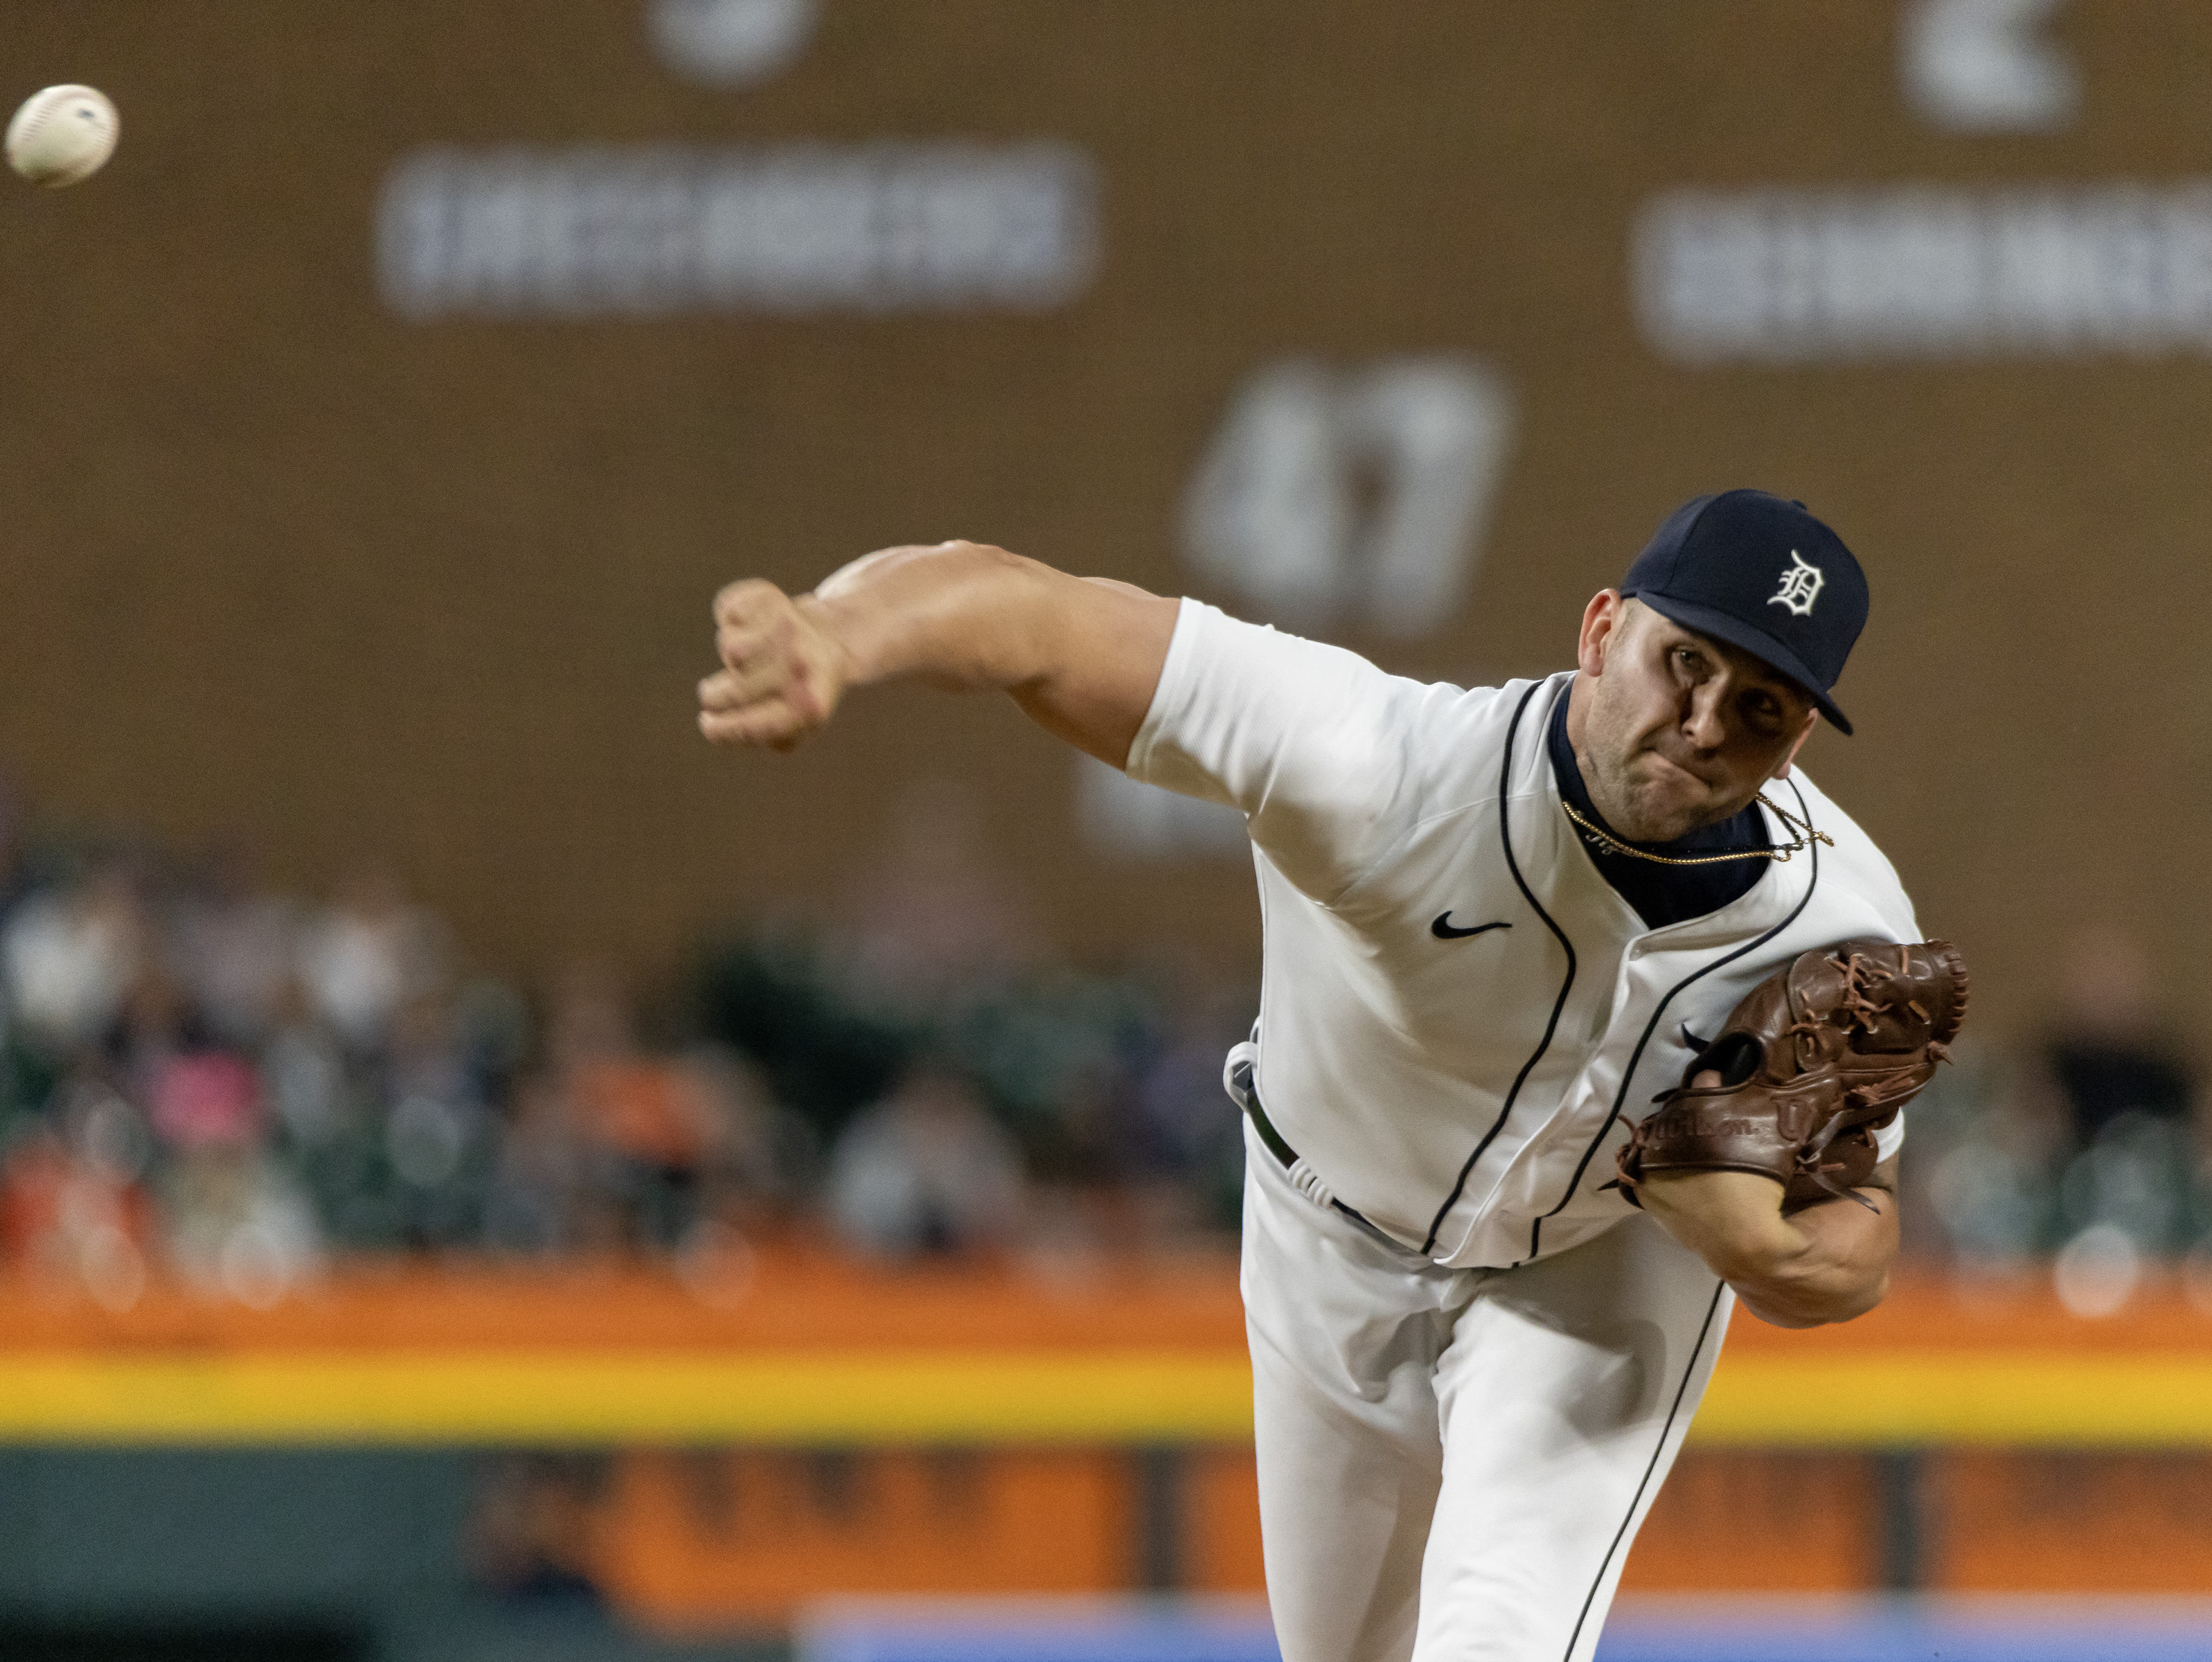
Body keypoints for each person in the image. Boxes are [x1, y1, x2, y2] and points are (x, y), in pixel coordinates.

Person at [696, 490, 1921, 1662]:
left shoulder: (1844, 936)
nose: (1707, 723)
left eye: (1759, 705)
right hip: (1329, 1232)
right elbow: (1035, 614)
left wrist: (1772, 1250)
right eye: (1685, 665)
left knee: (1500, 1639)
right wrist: (837, 632)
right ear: (1604, 631)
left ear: (1800, 732)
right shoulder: (1384, 768)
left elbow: (1855, 1247)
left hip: (1590, 1274)